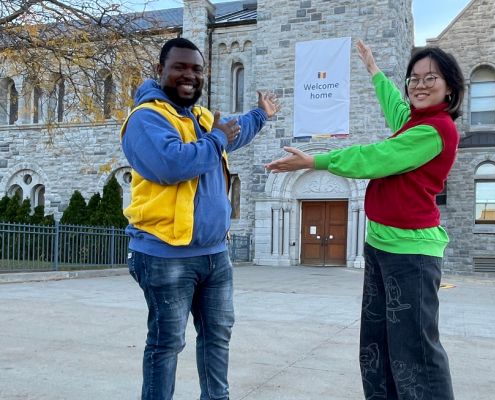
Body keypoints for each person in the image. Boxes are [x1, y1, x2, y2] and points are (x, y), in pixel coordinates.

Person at [265, 39, 464, 400]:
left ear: (450, 87)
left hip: (411, 254)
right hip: (381, 246)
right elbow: (394, 106)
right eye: (413, 78)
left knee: (414, 352)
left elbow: (376, 157)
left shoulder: (436, 130)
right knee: (377, 346)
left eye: (430, 78)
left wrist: (315, 161)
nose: (419, 85)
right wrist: (374, 70)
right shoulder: (413, 122)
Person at [121, 37, 279, 400]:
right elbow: (173, 164)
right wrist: (217, 139)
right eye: (179, 67)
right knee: (166, 343)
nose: (189, 75)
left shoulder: (201, 117)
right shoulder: (146, 119)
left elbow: (233, 133)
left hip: (214, 255)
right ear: (160, 71)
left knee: (218, 336)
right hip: (165, 255)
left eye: (196, 69)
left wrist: (261, 115)